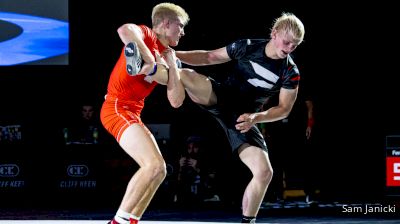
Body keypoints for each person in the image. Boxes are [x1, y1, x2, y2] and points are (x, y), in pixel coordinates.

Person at [171, 12, 305, 223]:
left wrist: (256, 118)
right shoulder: (248, 46)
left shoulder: (290, 71)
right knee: (186, 75)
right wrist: (173, 54)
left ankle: (247, 221)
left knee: (264, 172)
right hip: (220, 98)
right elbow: (208, 57)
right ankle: (151, 66)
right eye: (286, 42)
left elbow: (284, 108)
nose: (288, 49)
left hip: (244, 119)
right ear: (274, 33)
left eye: (294, 46)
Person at [100, 3, 189, 224]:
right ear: (166, 24)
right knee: (153, 166)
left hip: (132, 112)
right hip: (116, 108)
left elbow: (176, 101)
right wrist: (150, 57)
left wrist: (171, 66)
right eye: (180, 26)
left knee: (159, 171)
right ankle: (118, 222)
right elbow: (124, 30)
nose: (183, 31)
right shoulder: (147, 34)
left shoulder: (169, 56)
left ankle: (131, 220)